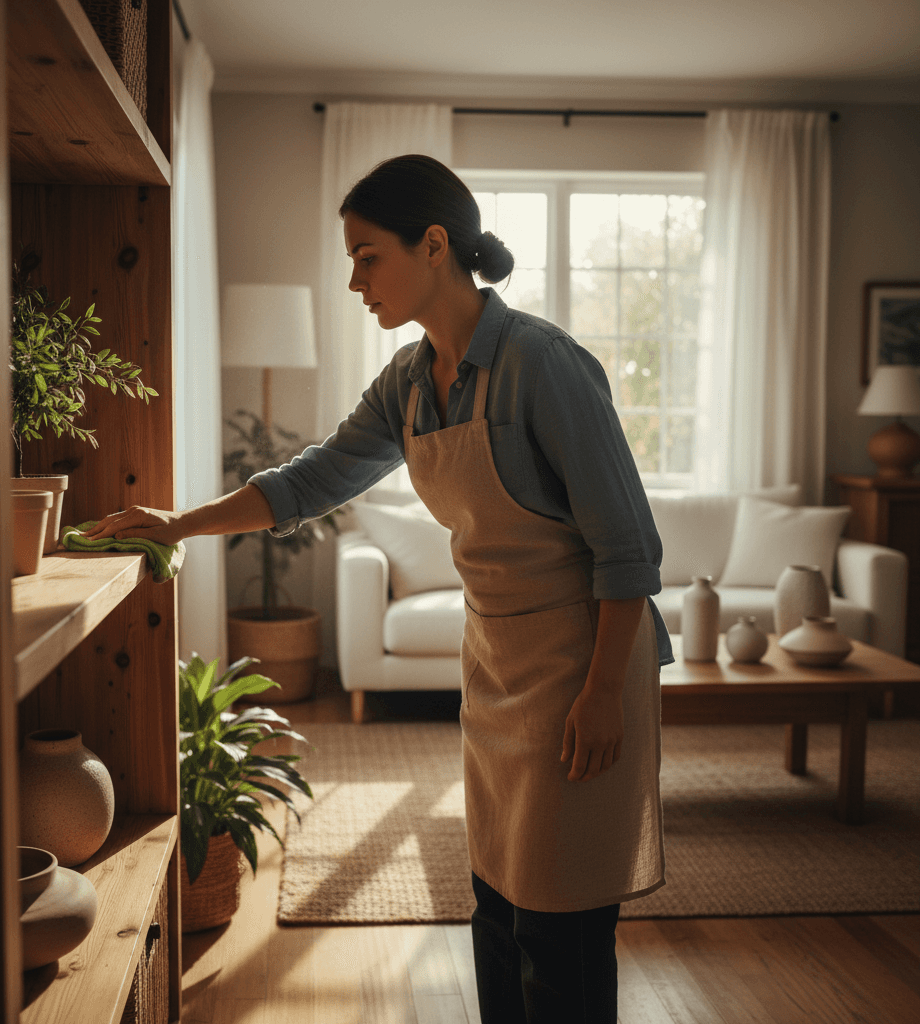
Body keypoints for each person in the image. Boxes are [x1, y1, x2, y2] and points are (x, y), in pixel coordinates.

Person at [84, 154, 671, 1023]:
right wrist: (177, 524)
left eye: (367, 256)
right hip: (498, 666)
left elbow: (628, 549)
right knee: (500, 908)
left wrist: (600, 697)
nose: (354, 280)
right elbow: (313, 478)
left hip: (586, 665)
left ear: (433, 246)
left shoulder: (543, 365)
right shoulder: (410, 379)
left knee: (562, 923)